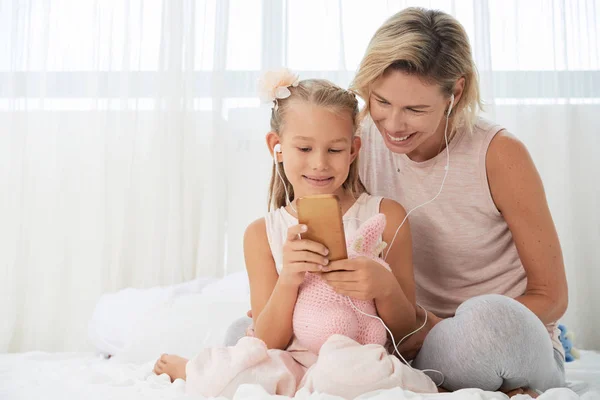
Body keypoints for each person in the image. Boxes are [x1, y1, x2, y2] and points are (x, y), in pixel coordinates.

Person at [153, 71, 437, 398]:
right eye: (304, 148)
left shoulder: (385, 216)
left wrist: (383, 287)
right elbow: (268, 341)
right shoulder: (262, 234)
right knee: (235, 377)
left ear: (353, 150)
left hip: (358, 361)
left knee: (344, 374)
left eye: (334, 150)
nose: (319, 164)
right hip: (292, 362)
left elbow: (407, 333)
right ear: (277, 146)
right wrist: (289, 279)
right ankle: (194, 369)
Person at [351, 6, 568, 396]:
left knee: (482, 325)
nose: (393, 125)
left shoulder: (499, 153)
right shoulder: (359, 142)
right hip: (409, 336)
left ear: (456, 92)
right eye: (381, 102)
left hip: (497, 333)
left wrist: (450, 327)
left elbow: (552, 297)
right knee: (247, 337)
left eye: (415, 109)